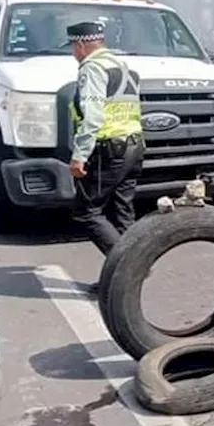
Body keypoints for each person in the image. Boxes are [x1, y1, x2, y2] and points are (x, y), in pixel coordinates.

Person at [66, 20, 145, 290]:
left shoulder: (93, 68)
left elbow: (93, 116)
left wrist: (79, 156)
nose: (73, 54)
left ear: (81, 44)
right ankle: (122, 282)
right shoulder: (120, 66)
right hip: (134, 146)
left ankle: (130, 266)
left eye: (72, 48)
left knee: (86, 211)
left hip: (110, 147)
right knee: (122, 211)